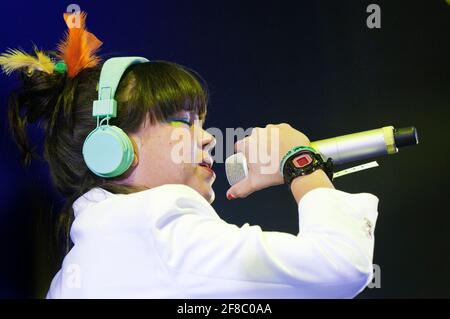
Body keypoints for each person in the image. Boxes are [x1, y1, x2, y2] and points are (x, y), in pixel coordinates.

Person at [1, 11, 378, 298]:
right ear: (109, 146)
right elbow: (340, 265)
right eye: (183, 122)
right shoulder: (157, 227)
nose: (208, 139)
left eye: (202, 122)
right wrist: (301, 162)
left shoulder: (77, 265)